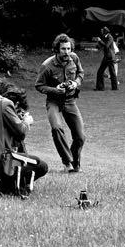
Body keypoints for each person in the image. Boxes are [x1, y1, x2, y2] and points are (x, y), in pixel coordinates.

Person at [0, 80, 48, 197]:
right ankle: (5, 186)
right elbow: (20, 132)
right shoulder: (5, 103)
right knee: (41, 165)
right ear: (17, 104)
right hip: (0, 162)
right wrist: (26, 122)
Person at [35, 34, 86, 172]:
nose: (67, 52)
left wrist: (75, 83)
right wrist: (55, 90)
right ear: (57, 49)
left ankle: (75, 163)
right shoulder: (47, 65)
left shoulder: (74, 58)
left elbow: (81, 73)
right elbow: (39, 86)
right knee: (57, 128)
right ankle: (67, 162)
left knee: (80, 136)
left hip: (70, 101)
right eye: (63, 49)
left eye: (69, 48)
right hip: (54, 102)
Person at [94, 26, 118, 91]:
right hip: (107, 56)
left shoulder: (110, 37)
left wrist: (100, 41)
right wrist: (99, 42)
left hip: (109, 57)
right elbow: (103, 45)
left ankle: (114, 87)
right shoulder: (105, 37)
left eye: (102, 31)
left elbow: (106, 46)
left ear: (105, 31)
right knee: (101, 72)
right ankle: (101, 87)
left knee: (110, 72)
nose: (101, 32)